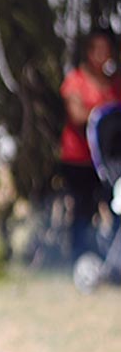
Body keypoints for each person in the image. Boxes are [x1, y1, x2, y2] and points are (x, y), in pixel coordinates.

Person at [59, 30, 120, 261]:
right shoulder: (75, 80)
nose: (103, 55)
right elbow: (77, 115)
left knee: (115, 207)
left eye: (107, 50)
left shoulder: (115, 83)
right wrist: (103, 114)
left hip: (111, 164)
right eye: (98, 50)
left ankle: (114, 263)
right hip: (80, 160)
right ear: (89, 52)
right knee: (83, 212)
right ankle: (79, 258)